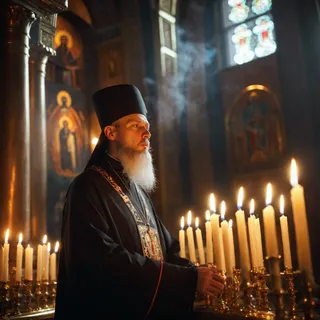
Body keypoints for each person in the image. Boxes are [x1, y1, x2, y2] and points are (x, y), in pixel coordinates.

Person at [54, 84, 224, 320]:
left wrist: (196, 273)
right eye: (136, 126)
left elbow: (167, 250)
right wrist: (189, 279)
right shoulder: (86, 188)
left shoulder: (138, 191)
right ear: (111, 133)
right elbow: (104, 262)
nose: (147, 134)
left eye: (147, 127)